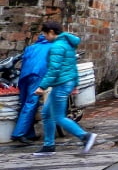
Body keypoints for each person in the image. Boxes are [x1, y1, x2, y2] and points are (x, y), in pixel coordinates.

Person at [32, 21, 98, 156]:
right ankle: (48, 145)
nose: (44, 37)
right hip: (64, 83)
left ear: (51, 32)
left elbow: (54, 69)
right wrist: (74, 83)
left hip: (61, 84)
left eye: (45, 33)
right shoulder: (67, 44)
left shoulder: (57, 46)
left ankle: (85, 136)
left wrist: (42, 86)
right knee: (46, 113)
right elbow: (72, 67)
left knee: (58, 117)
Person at [10, 32, 51, 144]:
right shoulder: (51, 47)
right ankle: (19, 133)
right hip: (37, 75)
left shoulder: (30, 47)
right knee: (31, 103)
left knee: (25, 103)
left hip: (24, 76)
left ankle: (29, 133)